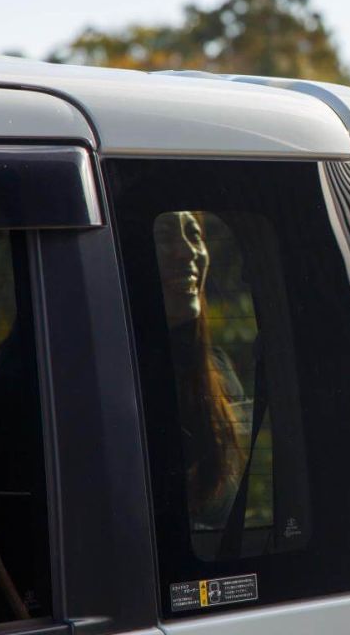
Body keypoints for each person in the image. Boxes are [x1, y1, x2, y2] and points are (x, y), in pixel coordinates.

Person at [153, 211, 245, 531]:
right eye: (164, 236)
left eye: (194, 235)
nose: (187, 251)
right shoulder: (96, 375)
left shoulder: (219, 374)